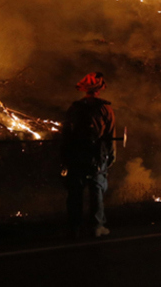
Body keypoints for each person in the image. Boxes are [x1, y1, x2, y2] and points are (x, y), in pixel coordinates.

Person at [61, 72, 117, 238]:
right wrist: (111, 156)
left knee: (75, 192)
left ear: (85, 90)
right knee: (96, 190)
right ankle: (96, 227)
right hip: (96, 155)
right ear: (99, 90)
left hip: (76, 154)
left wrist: (65, 156)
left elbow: (66, 133)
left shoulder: (74, 108)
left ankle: (74, 228)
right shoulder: (105, 109)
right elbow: (110, 135)